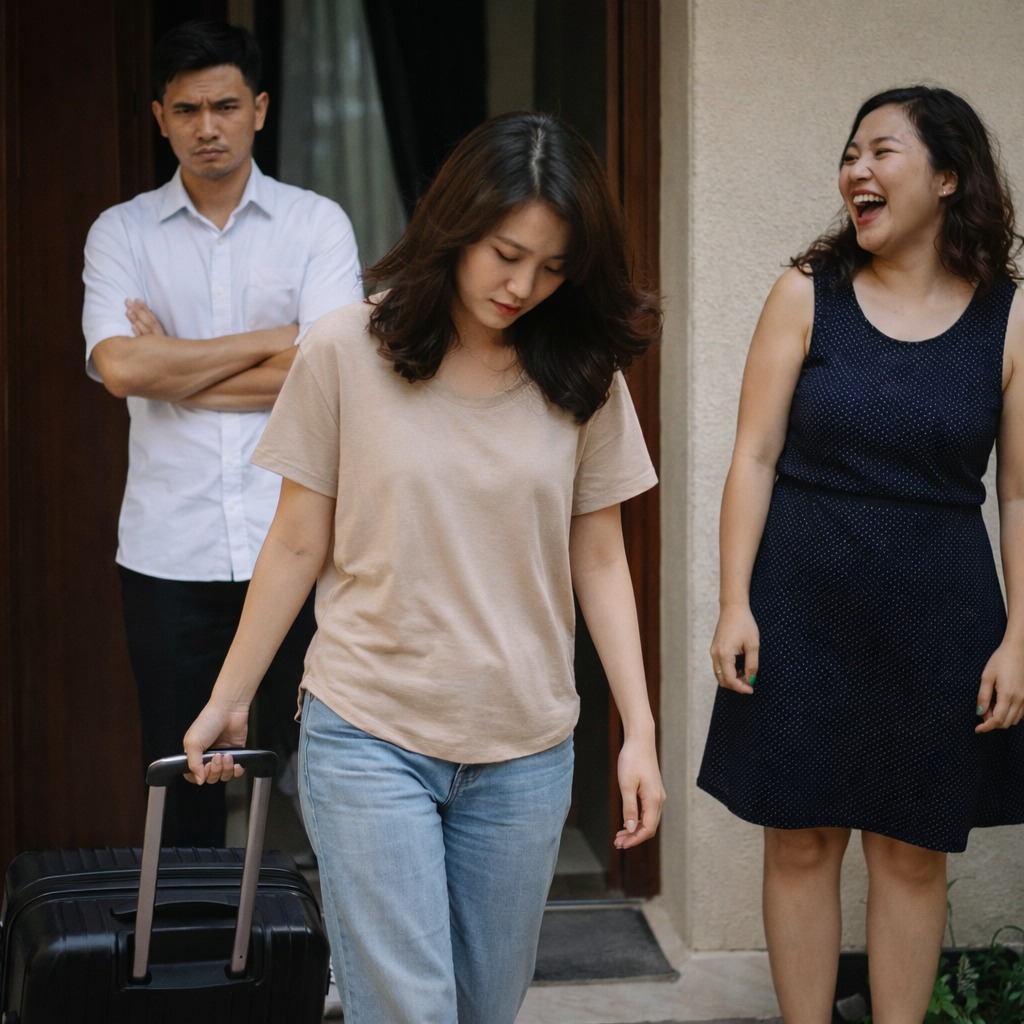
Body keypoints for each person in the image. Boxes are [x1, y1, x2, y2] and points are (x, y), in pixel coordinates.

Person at [182, 110, 665, 1023]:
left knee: (485, 1007)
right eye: (506, 254)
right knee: (410, 1010)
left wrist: (638, 731)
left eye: (553, 267)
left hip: (525, 748)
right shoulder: (344, 349)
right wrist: (229, 695)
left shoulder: (583, 370)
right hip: (370, 731)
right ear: (456, 226)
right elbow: (297, 540)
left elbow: (599, 553)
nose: (523, 286)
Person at [698, 85, 1024, 1024]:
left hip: (942, 615)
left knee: (911, 851)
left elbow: (1018, 491)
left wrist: (1020, 638)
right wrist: (733, 601)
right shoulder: (806, 293)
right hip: (801, 601)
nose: (856, 171)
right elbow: (753, 457)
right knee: (799, 839)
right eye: (850, 154)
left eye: (881, 152)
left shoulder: (1009, 319)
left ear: (948, 177)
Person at [82, 19, 362, 846]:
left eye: (226, 106)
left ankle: (323, 928)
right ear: (160, 117)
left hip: (304, 539)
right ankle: (199, 931)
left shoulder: (316, 224)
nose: (208, 127)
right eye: (187, 109)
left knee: (329, 771)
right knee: (184, 778)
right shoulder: (122, 232)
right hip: (171, 551)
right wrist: (280, 338)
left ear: (260, 109)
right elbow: (120, 369)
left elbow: (334, 373)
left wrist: (174, 361)